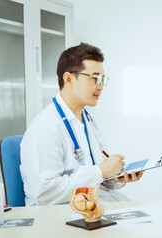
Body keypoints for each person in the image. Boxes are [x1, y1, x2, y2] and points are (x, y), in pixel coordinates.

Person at [20, 43, 144, 206]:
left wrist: (115, 176)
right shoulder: (45, 128)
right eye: (94, 78)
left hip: (92, 204)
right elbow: (45, 193)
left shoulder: (88, 120)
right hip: (60, 215)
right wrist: (100, 171)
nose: (100, 86)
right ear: (69, 79)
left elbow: (95, 176)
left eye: (102, 79)